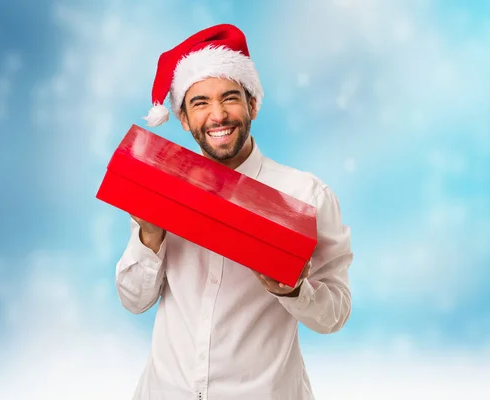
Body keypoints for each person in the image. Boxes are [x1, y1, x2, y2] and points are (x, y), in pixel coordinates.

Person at [115, 23, 353, 400]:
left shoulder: (306, 195)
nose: (218, 115)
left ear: (252, 104)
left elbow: (335, 314)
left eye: (230, 98)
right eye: (200, 102)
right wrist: (150, 234)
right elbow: (134, 300)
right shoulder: (163, 185)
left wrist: (294, 292)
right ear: (183, 118)